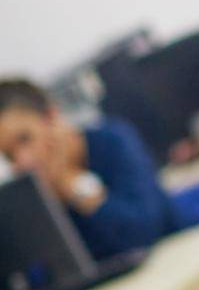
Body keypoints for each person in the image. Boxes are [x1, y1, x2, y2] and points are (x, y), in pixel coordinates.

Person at [0, 78, 183, 260]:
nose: (23, 161)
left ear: (52, 117)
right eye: (9, 155)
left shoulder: (112, 141)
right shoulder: (32, 195)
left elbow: (142, 233)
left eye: (25, 139)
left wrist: (70, 182)